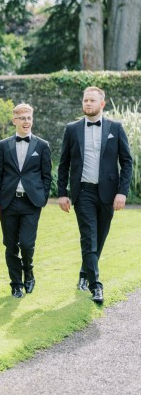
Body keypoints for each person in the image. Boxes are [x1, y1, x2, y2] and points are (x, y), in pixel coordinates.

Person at [57, 86, 133, 304]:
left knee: (99, 238)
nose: (87, 104)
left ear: (102, 103)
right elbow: (64, 164)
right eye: (85, 100)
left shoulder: (115, 128)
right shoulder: (72, 129)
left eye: (92, 100)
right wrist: (62, 193)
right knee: (88, 237)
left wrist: (122, 192)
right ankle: (95, 285)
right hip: (83, 192)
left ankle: (84, 272)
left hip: (108, 194)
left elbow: (126, 162)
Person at [0, 103, 52, 298]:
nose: (26, 122)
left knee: (26, 243)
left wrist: (42, 198)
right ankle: (16, 284)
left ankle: (29, 273)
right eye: (22, 118)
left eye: (29, 118)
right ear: (14, 120)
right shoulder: (4, 145)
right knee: (10, 245)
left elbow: (47, 176)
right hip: (8, 202)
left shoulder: (42, 145)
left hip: (31, 203)